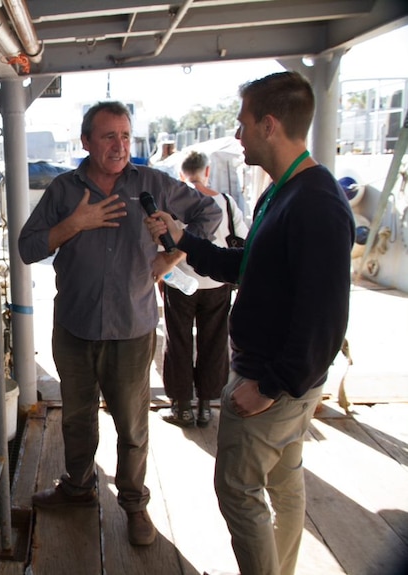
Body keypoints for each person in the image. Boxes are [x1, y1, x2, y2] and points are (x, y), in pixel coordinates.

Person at [144, 72, 354, 574]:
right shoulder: (280, 194)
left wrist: (270, 386)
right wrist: (184, 240)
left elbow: (325, 318)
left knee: (238, 491)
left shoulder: (316, 204)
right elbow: (246, 269)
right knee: (284, 484)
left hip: (273, 382)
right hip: (274, 376)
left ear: (269, 124)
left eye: (242, 125)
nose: (237, 136)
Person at [18, 101, 221, 546]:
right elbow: (28, 247)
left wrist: (172, 256)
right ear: (86, 142)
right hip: (74, 328)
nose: (120, 144)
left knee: (132, 427)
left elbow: (210, 214)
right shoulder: (63, 191)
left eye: (126, 135)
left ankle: (134, 504)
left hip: (132, 330)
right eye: (109, 136)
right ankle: (77, 488)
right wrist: (73, 224)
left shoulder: (152, 183)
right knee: (76, 419)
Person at [161, 150, 249, 428]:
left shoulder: (173, 203)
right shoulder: (225, 202)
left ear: (180, 175)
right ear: (206, 171)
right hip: (217, 283)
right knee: (214, 341)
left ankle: (182, 407)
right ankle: (206, 407)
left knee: (178, 342)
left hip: (179, 283)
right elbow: (242, 238)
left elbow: (161, 242)